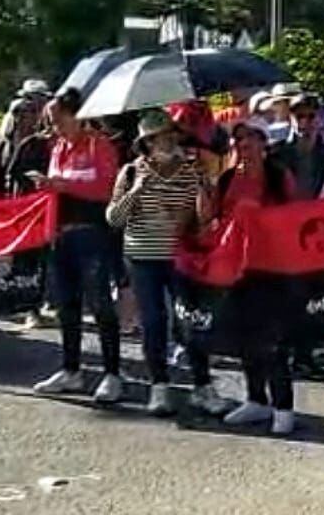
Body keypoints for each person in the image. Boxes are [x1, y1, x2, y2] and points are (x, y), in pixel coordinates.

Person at [105, 110, 229, 417]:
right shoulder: (132, 172)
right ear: (147, 142)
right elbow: (114, 218)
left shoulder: (192, 170)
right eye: (160, 136)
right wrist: (136, 192)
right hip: (142, 256)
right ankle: (159, 386)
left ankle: (203, 386)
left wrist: (202, 197)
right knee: (153, 322)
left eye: (172, 135)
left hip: (180, 256)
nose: (168, 141)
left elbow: (204, 219)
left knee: (189, 321)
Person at [31, 89, 124, 404]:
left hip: (92, 235)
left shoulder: (100, 145)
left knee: (99, 304)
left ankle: (113, 374)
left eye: (59, 119)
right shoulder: (58, 148)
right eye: (51, 121)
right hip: (61, 234)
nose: (54, 126)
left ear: (77, 116)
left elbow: (106, 188)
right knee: (66, 306)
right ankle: (71, 369)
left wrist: (62, 185)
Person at [214, 117, 299, 435]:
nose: (244, 144)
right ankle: (255, 399)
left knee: (273, 341)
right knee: (245, 337)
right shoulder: (225, 179)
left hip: (273, 269)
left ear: (264, 143)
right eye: (238, 139)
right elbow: (214, 219)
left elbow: (295, 218)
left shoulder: (279, 177)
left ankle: (283, 405)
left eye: (251, 137)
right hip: (237, 270)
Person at [280, 93, 324, 200]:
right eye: (299, 116)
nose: (304, 122)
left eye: (311, 116)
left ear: (320, 118)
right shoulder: (277, 154)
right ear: (290, 119)